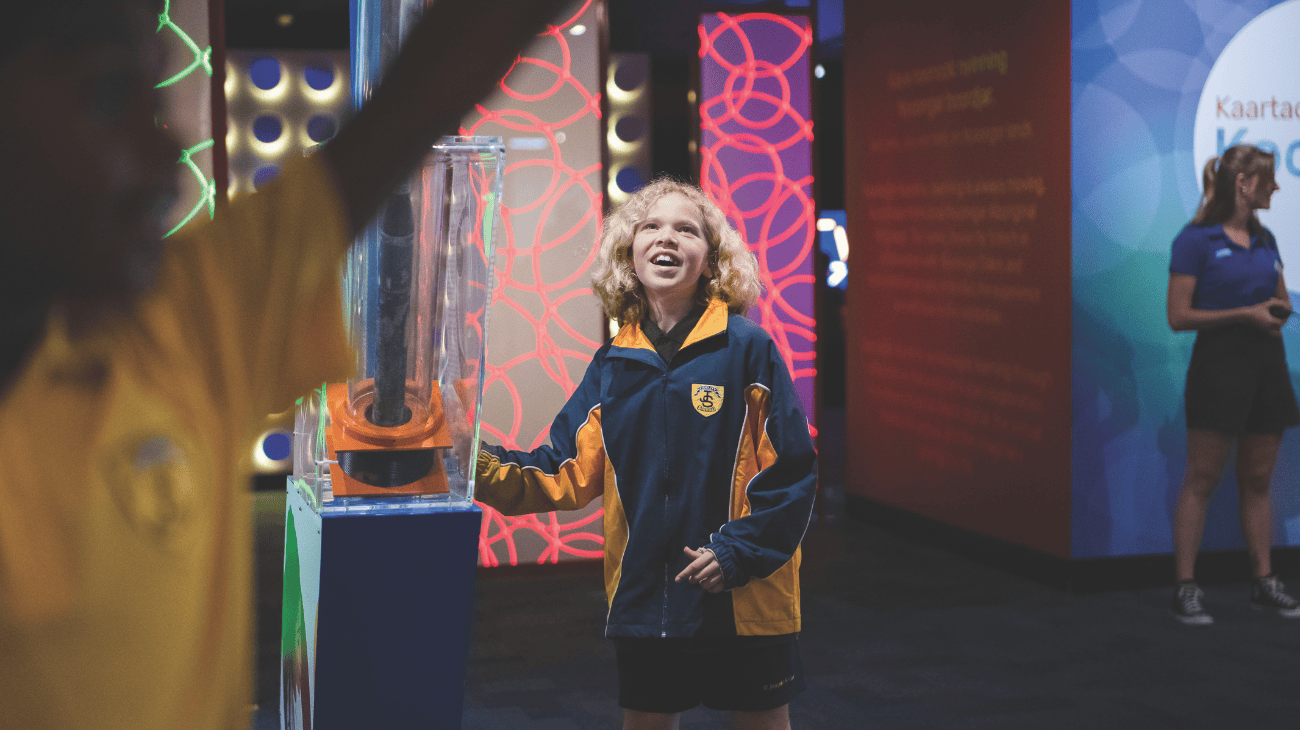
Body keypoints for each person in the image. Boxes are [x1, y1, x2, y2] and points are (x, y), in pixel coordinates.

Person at [0, 0, 566, 727]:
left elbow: (420, 98)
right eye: (108, 94)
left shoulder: (183, 323)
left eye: (157, 98)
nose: (165, 158)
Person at [475, 179, 818, 730]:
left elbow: (792, 475)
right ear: (629, 256)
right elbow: (561, 470)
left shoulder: (748, 348)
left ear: (710, 261)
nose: (668, 238)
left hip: (745, 596)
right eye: (651, 227)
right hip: (647, 594)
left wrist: (737, 554)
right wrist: (469, 465)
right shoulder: (613, 364)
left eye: (687, 230)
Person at [1166, 143, 1300, 625]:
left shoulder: (1266, 241)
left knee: (1259, 479)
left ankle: (1264, 582)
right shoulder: (1194, 240)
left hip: (1267, 367)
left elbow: (1280, 296)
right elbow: (1178, 316)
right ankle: (1185, 586)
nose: (1277, 188)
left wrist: (1277, 312)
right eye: (1269, 180)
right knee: (1201, 478)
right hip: (1218, 368)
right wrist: (1245, 313)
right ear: (1243, 184)